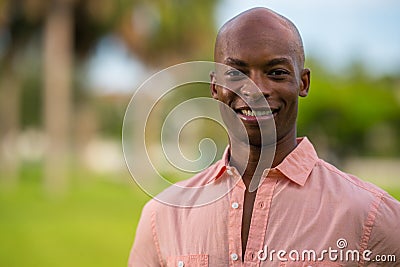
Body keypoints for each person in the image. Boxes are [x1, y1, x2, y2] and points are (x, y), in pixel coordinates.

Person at [128, 7, 400, 266]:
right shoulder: (161, 218)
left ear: (302, 83)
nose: (255, 89)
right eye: (236, 73)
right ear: (214, 86)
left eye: (276, 73)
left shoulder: (371, 216)